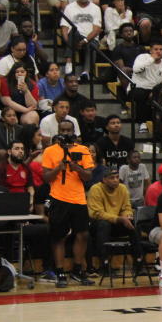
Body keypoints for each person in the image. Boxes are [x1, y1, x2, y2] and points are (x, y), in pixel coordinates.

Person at [42, 120, 95, 288]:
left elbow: (88, 177)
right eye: (62, 130)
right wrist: (58, 168)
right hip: (58, 198)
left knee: (83, 235)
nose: (65, 133)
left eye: (68, 130)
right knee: (58, 236)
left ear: (74, 131)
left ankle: (78, 270)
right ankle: (60, 272)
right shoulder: (50, 151)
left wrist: (75, 167)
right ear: (58, 131)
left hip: (78, 199)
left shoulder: (83, 150)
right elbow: (46, 178)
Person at [87, 168, 142, 277]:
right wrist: (119, 219)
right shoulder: (96, 189)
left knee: (134, 226)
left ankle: (139, 264)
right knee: (104, 225)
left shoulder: (122, 188)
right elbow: (97, 213)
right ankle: (104, 265)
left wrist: (127, 216)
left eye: (117, 177)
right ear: (104, 179)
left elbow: (127, 207)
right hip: (97, 224)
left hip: (116, 222)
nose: (116, 180)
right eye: (112, 178)